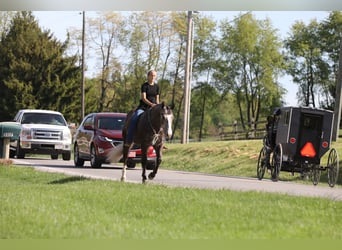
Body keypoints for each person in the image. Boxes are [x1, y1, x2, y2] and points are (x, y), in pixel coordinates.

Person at [126, 69, 160, 145]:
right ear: (148, 76)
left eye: (154, 75)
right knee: (135, 118)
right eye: (151, 75)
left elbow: (157, 99)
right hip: (144, 108)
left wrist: (158, 107)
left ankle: (160, 142)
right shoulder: (144, 86)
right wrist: (151, 104)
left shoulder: (157, 86)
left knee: (162, 119)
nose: (153, 77)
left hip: (154, 108)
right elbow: (143, 98)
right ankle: (129, 139)